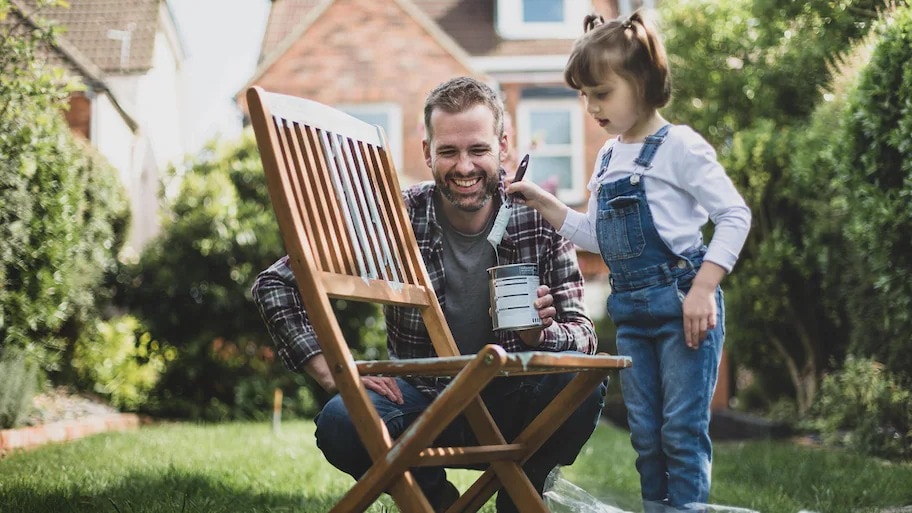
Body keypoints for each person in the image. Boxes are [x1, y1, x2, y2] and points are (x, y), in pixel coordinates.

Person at [252, 76, 604, 513]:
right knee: (342, 422)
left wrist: (541, 336)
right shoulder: (396, 217)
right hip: (421, 399)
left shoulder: (539, 219)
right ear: (427, 153)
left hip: (512, 398)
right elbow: (276, 283)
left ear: (504, 146)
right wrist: (332, 373)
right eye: (448, 151)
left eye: (478, 150)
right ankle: (436, 505)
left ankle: (519, 500)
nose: (464, 167)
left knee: (583, 382)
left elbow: (584, 336)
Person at [507, 11, 752, 513]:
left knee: (681, 432)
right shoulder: (607, 155)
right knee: (645, 435)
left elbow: (734, 214)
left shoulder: (680, 147)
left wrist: (704, 289)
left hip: (685, 307)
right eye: (584, 94)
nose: (590, 106)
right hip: (634, 315)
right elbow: (598, 237)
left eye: (601, 93)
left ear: (642, 83)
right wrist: (543, 201)